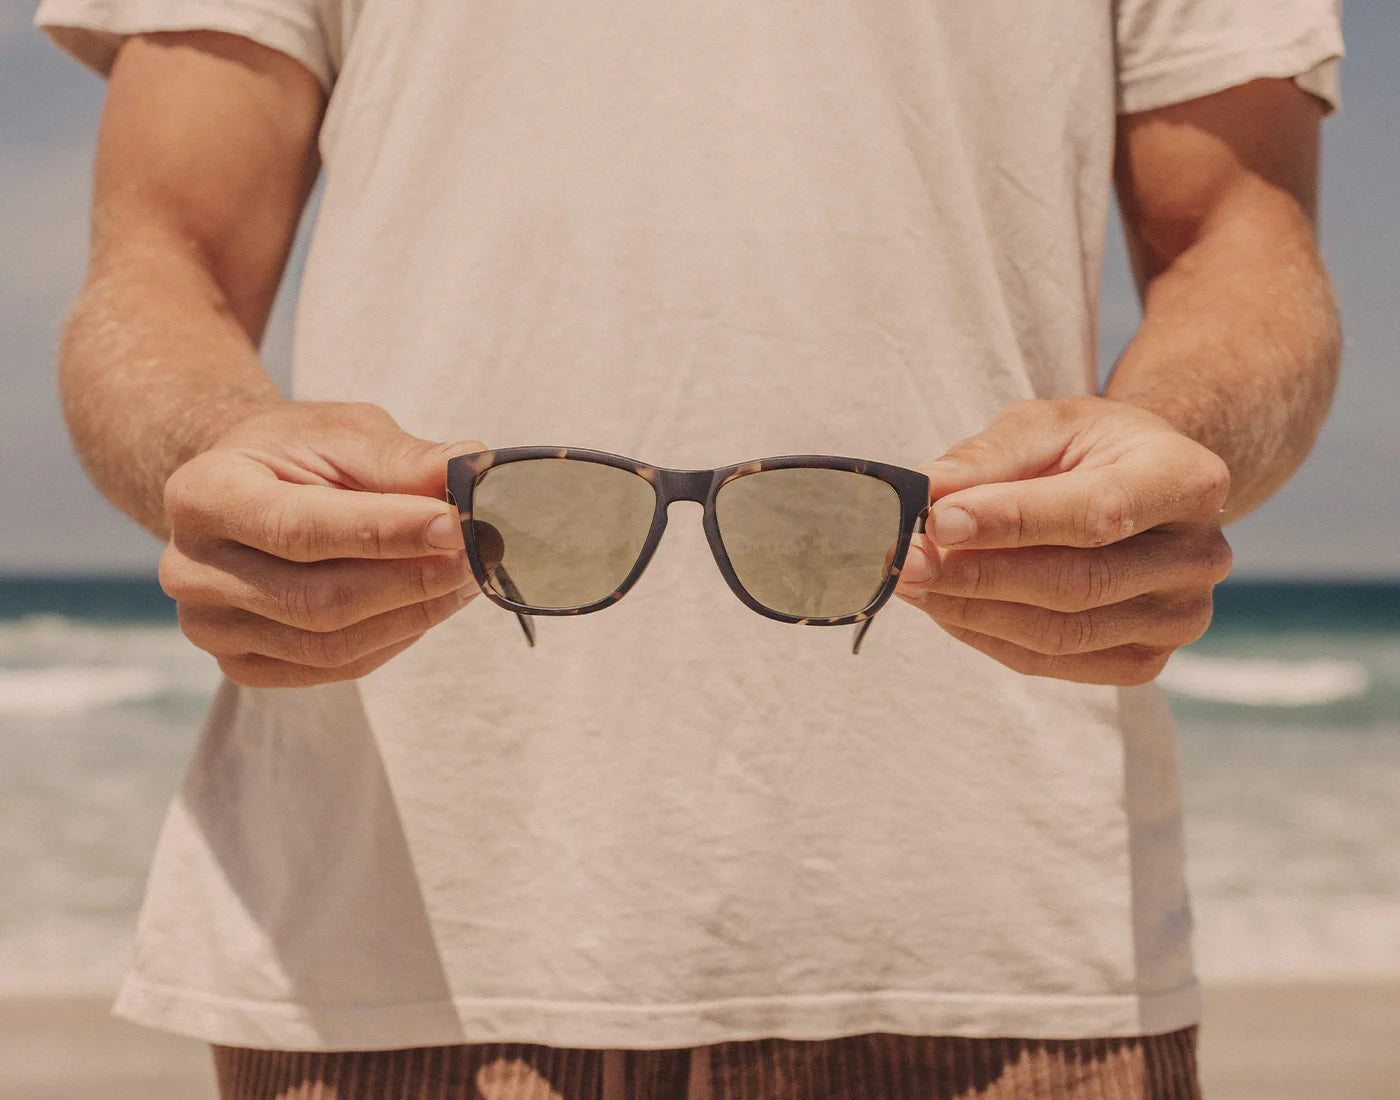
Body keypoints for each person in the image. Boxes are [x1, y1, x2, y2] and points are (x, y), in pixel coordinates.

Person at [36, 1, 1342, 1097]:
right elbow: (160, 263)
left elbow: (1243, 245)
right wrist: (216, 456)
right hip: (382, 939)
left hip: (1016, 946)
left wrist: (1173, 449)